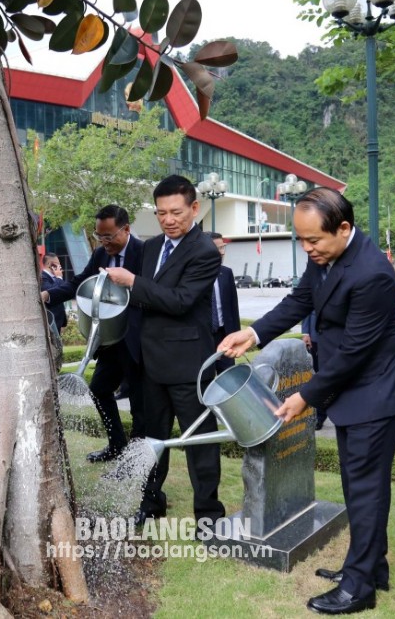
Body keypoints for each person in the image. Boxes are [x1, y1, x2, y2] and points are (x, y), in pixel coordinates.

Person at [219, 188, 395, 615]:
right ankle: (370, 566)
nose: (307, 250)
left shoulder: (372, 274)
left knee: (364, 488)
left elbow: (352, 353)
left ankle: (359, 587)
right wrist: (253, 334)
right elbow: (300, 300)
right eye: (301, 240)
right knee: (359, 484)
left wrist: (304, 397)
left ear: (343, 229)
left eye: (314, 241)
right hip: (354, 390)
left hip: (376, 393)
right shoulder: (326, 257)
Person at [105, 175, 225, 531]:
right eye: (161, 213)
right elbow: (144, 299)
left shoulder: (204, 250)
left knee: (200, 443)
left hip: (190, 366)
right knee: (152, 438)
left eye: (176, 212)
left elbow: (180, 301)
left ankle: (209, 515)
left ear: (194, 208)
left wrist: (132, 282)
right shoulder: (154, 247)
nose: (169, 220)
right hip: (151, 362)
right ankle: (151, 502)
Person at [43, 205, 145, 461]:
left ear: (126, 229)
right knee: (99, 389)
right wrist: (48, 294)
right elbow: (80, 283)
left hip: (137, 341)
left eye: (109, 237)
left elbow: (152, 291)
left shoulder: (144, 252)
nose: (104, 243)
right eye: (100, 237)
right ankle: (117, 446)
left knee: (140, 404)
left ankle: (136, 458)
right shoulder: (100, 254)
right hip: (109, 341)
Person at [206, 231, 240, 373]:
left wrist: (236, 336)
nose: (221, 253)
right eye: (217, 248)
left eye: (222, 248)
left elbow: (233, 307)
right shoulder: (194, 275)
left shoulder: (226, 273)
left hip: (225, 335)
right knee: (205, 378)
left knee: (228, 377)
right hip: (204, 336)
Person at [301, 311, 326, 429]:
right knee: (318, 377)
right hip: (316, 336)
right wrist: (305, 332)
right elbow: (306, 303)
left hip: (339, 336)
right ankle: (319, 416)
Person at [40, 252, 67, 335]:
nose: (59, 266)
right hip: (51, 320)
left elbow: (64, 293)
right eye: (57, 264)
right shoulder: (42, 277)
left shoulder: (56, 278)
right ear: (49, 264)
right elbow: (52, 292)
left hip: (59, 320)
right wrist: (59, 277)